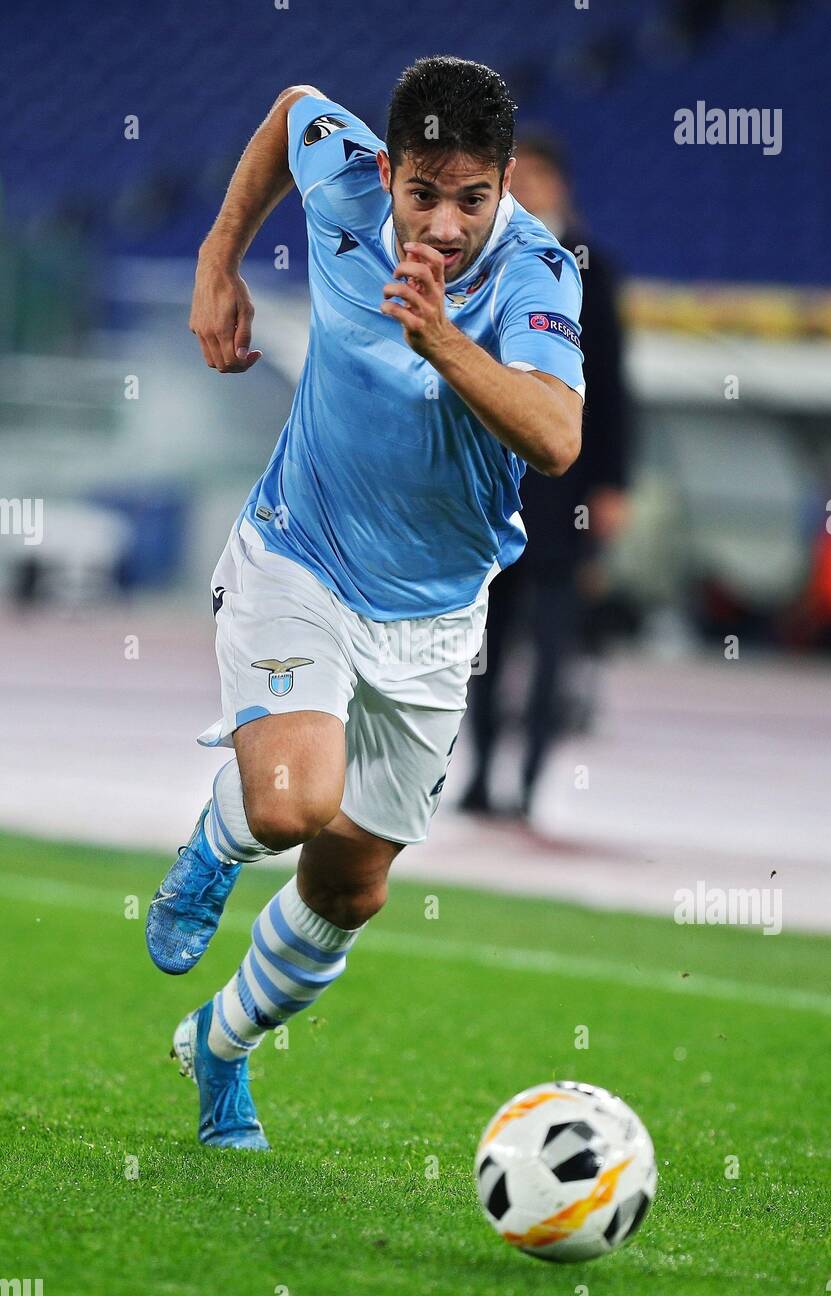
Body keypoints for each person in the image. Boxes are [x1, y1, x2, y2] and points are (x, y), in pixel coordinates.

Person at [145, 57, 584, 1149]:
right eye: (421, 192)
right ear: (381, 171)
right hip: (302, 553)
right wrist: (218, 256)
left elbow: (557, 437)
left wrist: (443, 339)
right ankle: (217, 839)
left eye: (471, 198)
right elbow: (290, 106)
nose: (442, 222)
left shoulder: (535, 275)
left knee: (350, 890)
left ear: (505, 184)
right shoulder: (337, 173)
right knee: (294, 804)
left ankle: (220, 1048)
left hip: (435, 617)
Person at [459, 130, 629, 818]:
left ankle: (528, 783)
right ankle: (478, 772)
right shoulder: (481, 257)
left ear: (559, 187)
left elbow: (613, 387)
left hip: (567, 492)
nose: (524, 193)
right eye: (514, 182)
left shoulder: (595, 271)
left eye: (534, 181)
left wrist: (614, 483)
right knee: (482, 644)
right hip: (494, 484)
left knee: (552, 648)